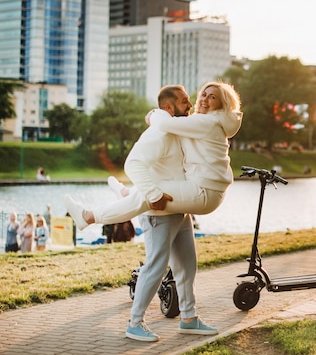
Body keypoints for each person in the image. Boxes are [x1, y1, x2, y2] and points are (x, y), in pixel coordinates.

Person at [66, 84, 219, 341]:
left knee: (187, 267)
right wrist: (154, 195)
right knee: (155, 268)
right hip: (159, 212)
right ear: (169, 108)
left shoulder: (176, 128)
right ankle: (135, 323)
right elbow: (132, 163)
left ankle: (189, 318)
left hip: (179, 211)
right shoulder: (158, 133)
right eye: (184, 102)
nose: (190, 105)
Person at [65, 81, 242, 229]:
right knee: (150, 194)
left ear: (223, 103)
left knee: (149, 196)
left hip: (205, 191)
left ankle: (88, 217)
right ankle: (128, 194)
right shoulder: (208, 121)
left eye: (213, 97)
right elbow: (177, 125)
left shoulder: (207, 122)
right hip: (206, 189)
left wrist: (154, 116)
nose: (205, 99)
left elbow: (166, 125)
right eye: (204, 94)